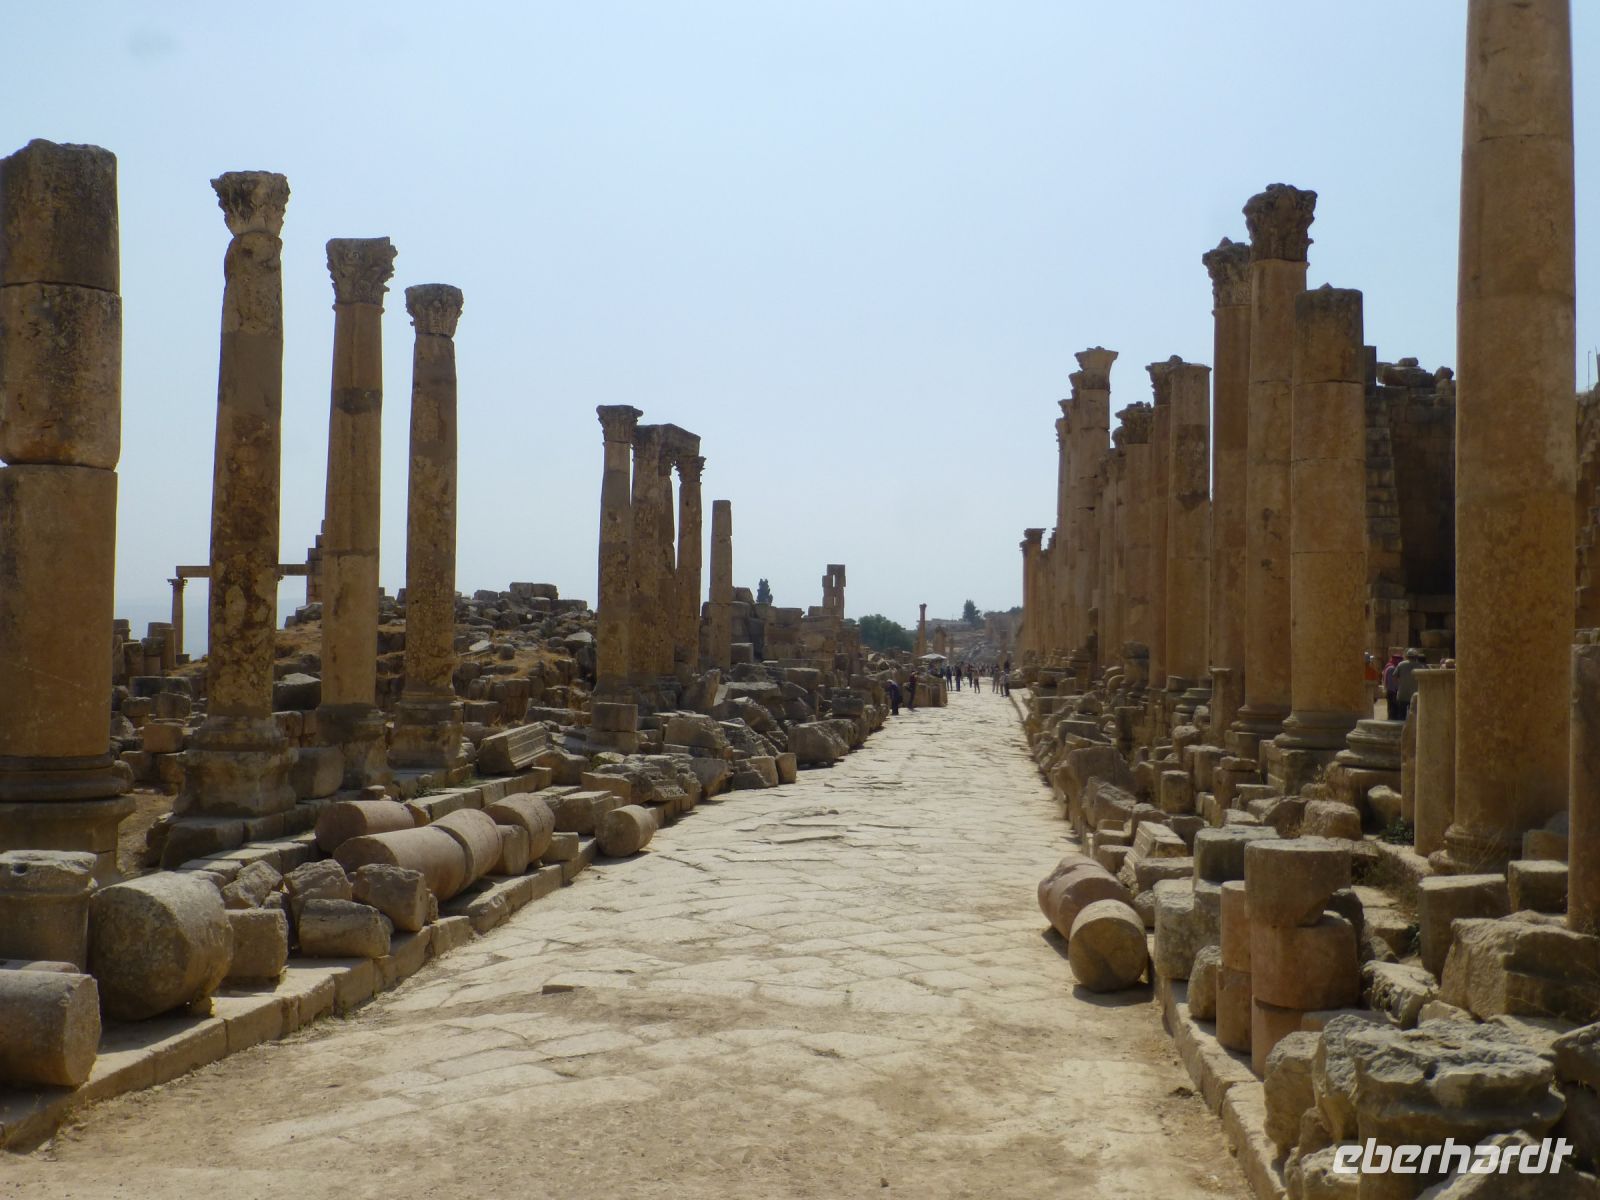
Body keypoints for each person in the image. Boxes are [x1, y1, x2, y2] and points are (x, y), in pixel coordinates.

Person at [1391, 649, 1425, 719]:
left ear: (1407, 656)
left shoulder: (1401, 664)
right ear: (1416, 657)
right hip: (1415, 695)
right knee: (1414, 716)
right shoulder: (1420, 666)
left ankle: (1400, 729)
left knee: (1401, 715)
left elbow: (1394, 677)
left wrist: (1399, 686)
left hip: (1402, 694)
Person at [1381, 652, 1403, 719]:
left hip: (1390, 690)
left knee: (1391, 707)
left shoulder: (1389, 666)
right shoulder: (1391, 668)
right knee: (1394, 708)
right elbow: (1392, 682)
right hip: (1393, 691)